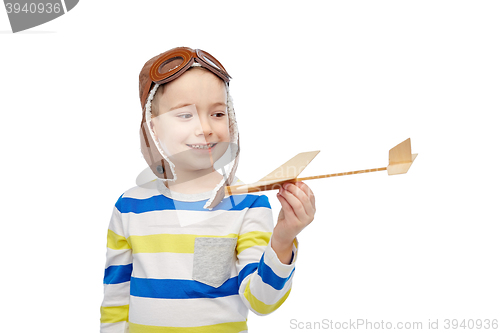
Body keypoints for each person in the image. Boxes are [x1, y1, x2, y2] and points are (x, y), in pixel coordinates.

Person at [100, 47, 316, 333]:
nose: (205, 128)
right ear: (153, 127)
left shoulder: (248, 204)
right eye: (185, 115)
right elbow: (115, 297)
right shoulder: (129, 206)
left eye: (217, 113)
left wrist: (283, 239)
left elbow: (261, 302)